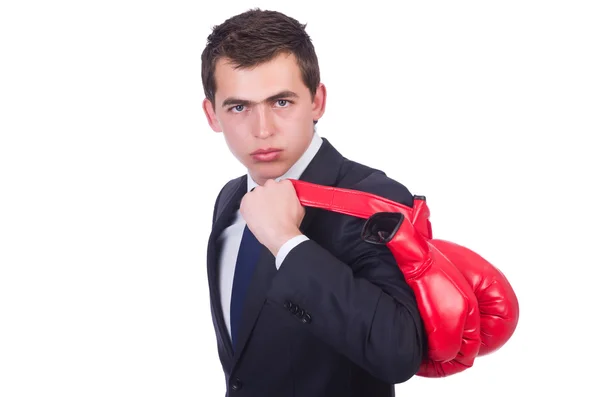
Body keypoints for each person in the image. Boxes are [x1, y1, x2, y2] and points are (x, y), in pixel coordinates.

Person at [201, 8, 426, 397]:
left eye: (281, 102)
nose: (262, 129)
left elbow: (399, 352)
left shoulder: (373, 200)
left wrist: (288, 243)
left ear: (317, 101)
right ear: (212, 115)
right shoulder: (230, 199)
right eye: (239, 107)